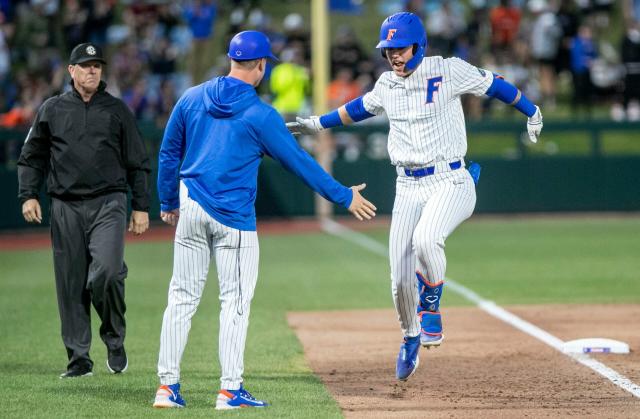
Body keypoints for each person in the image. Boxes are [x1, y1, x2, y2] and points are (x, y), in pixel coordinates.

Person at [287, 12, 542, 381]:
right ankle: (410, 336)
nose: (393, 56)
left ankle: (432, 306)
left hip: (450, 179)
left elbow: (495, 85)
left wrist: (531, 110)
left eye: (400, 48)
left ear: (419, 45)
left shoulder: (448, 69)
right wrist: (317, 123)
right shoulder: (387, 83)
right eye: (388, 49)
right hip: (406, 185)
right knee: (399, 280)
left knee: (427, 239)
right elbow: (358, 109)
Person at [152, 30, 376, 410]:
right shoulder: (261, 114)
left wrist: (167, 200)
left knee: (181, 299)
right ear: (260, 66)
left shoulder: (191, 97)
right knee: (235, 303)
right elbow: (302, 165)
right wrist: (343, 195)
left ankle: (167, 388)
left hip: (190, 209)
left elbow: (168, 153)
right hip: (233, 220)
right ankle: (229, 390)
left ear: (230, 59)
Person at [17, 42, 151, 378]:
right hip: (65, 205)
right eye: (86, 65)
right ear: (71, 71)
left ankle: (114, 335)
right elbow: (31, 155)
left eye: (97, 65)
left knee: (106, 271)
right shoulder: (51, 109)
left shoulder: (117, 110)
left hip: (109, 201)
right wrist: (28, 195)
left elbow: (138, 162)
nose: (92, 70)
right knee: (70, 282)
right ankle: (79, 359)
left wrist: (141, 207)